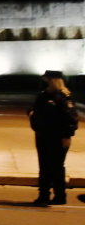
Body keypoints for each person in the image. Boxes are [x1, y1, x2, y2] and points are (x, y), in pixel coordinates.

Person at [28, 69, 77, 205]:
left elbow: (71, 118)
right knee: (44, 167)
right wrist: (31, 113)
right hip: (42, 135)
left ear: (53, 80)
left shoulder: (63, 96)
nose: (44, 82)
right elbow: (34, 109)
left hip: (58, 137)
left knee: (56, 167)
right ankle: (43, 195)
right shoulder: (43, 95)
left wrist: (67, 135)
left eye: (47, 79)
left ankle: (60, 196)